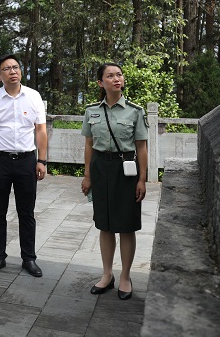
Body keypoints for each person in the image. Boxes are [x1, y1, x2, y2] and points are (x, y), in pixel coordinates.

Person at [81, 62, 148, 300]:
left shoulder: (135, 111)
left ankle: (125, 277)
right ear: (101, 83)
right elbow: (89, 144)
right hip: (100, 168)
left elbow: (141, 147)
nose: (116, 79)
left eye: (119, 74)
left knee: (126, 225)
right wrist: (87, 175)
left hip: (126, 169)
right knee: (105, 223)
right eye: (110, 76)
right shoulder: (91, 111)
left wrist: (142, 179)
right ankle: (107, 274)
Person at [0, 54, 48, 278]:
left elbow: (40, 130)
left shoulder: (33, 96)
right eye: (7, 69)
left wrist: (42, 160)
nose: (13, 71)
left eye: (16, 67)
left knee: (26, 212)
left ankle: (29, 258)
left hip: (27, 160)